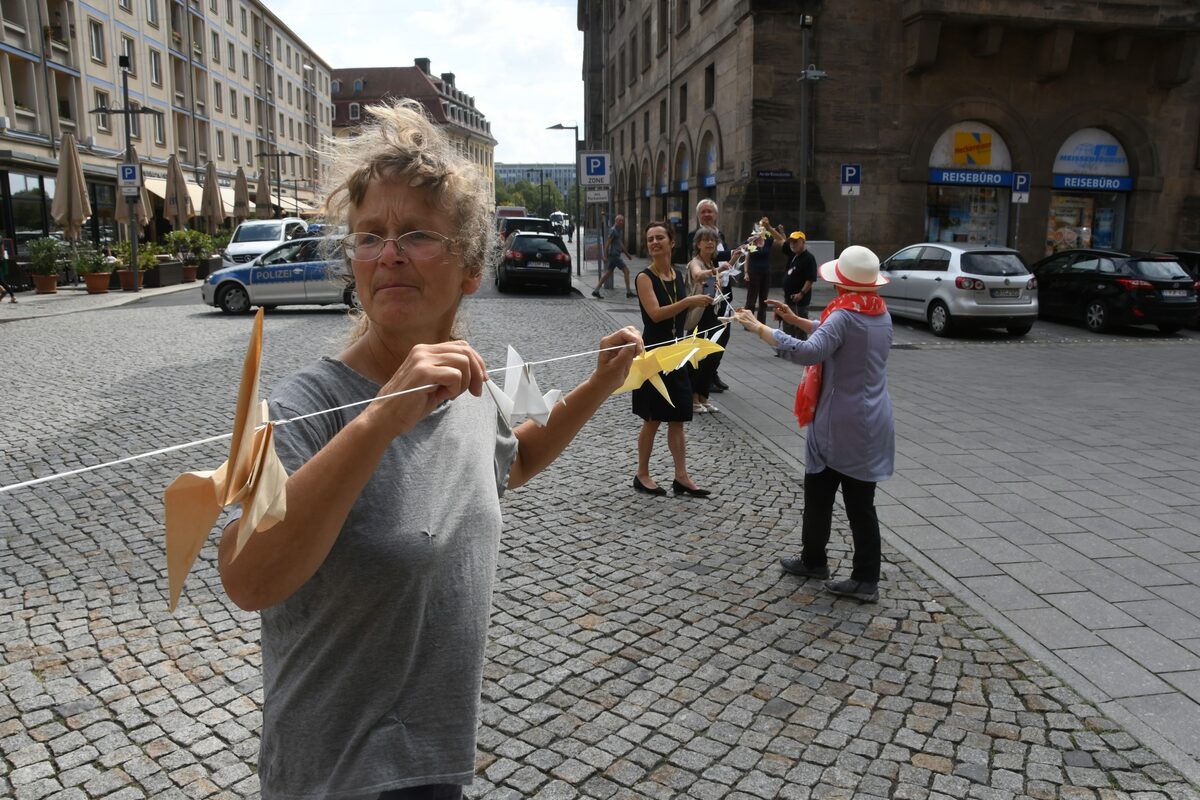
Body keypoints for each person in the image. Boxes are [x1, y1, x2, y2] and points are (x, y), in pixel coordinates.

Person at [216, 99, 642, 800]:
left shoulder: (470, 380)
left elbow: (517, 458)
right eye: (370, 236)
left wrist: (599, 386)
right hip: (333, 779)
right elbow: (247, 578)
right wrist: (380, 419)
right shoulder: (304, 406)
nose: (389, 254)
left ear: (471, 268)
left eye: (416, 234)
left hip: (436, 769)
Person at [732, 245, 894, 603]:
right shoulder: (879, 313)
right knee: (849, 496)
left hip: (841, 419)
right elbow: (829, 333)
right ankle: (819, 560)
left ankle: (856, 576)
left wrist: (761, 329)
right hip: (874, 418)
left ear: (841, 285)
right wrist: (795, 318)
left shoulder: (844, 316)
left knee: (831, 494)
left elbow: (812, 350)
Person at [632, 220, 714, 498]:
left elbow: (682, 317)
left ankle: (682, 476)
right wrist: (689, 301)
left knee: (678, 417)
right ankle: (642, 474)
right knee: (653, 418)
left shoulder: (678, 275)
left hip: (677, 354)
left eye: (659, 238)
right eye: (650, 239)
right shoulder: (644, 277)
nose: (654, 242)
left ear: (671, 242)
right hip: (654, 354)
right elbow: (656, 314)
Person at [686, 199, 739, 393]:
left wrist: (736, 254)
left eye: (710, 212)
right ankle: (699, 383)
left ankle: (709, 376)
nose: (707, 215)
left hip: (721, 292)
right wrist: (718, 269)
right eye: (704, 212)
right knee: (705, 336)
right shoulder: (694, 239)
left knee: (720, 337)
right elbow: (698, 272)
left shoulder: (720, 234)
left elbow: (721, 260)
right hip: (706, 291)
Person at [685, 227, 730, 414]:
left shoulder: (711, 262)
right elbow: (697, 275)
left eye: (713, 240)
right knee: (699, 358)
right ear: (698, 244)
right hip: (699, 316)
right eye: (705, 240)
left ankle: (703, 397)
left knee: (713, 357)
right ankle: (693, 398)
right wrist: (717, 270)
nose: (710, 243)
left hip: (714, 313)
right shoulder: (695, 262)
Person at [745, 217, 786, 322]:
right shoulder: (751, 241)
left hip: (766, 271)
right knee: (751, 298)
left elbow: (782, 241)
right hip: (754, 271)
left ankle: (761, 321)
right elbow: (747, 256)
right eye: (758, 229)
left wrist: (779, 231)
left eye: (761, 229)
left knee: (764, 299)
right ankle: (748, 321)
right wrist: (746, 272)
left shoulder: (767, 241)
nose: (759, 231)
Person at [781, 231, 817, 340]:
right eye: (791, 242)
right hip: (789, 298)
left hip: (799, 301)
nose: (793, 244)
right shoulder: (794, 255)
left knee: (800, 325)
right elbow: (781, 241)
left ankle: (802, 348)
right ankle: (788, 347)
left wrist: (801, 293)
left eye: (796, 242)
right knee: (788, 323)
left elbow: (810, 279)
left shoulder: (809, 258)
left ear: (803, 242)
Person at [593, 214, 635, 299]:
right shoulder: (613, 230)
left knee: (607, 274)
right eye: (619, 220)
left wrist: (627, 254)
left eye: (622, 221)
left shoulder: (619, 230)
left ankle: (596, 291)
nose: (621, 222)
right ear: (616, 221)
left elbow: (620, 243)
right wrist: (604, 256)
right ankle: (628, 292)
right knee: (626, 271)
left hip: (615, 255)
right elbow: (607, 243)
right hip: (614, 256)